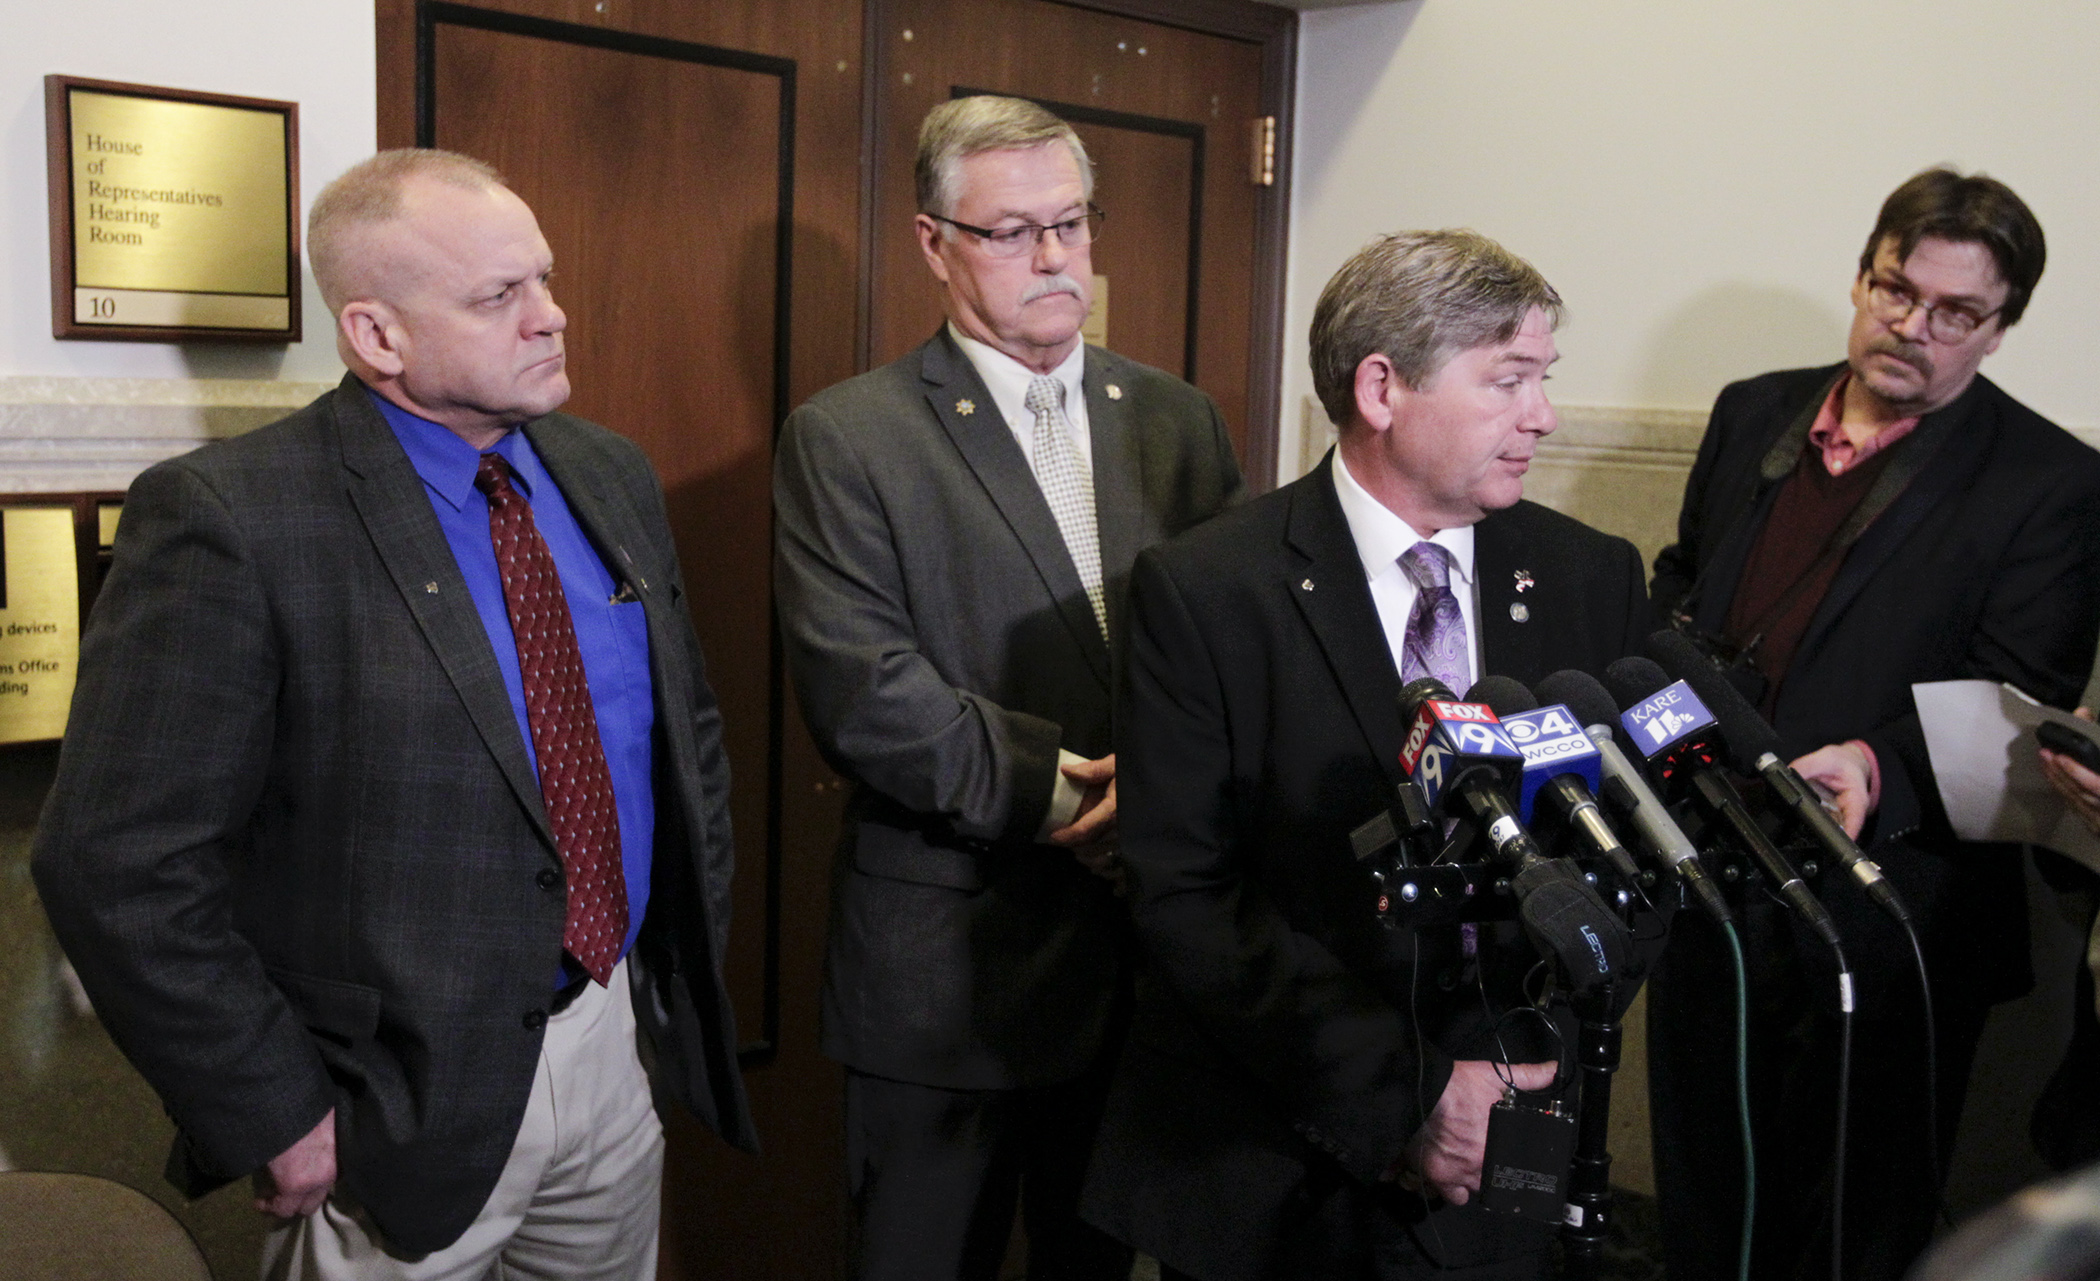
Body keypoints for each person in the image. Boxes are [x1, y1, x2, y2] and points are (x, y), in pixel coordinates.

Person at [31, 148, 756, 1280]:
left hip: (615, 1055)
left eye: (545, 279)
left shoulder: (607, 474)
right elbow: (113, 860)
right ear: (377, 337)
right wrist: (263, 1102)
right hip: (390, 1114)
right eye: (498, 296)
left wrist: (660, 996)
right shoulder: (235, 517)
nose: (552, 317)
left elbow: (683, 739)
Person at [1079, 230, 1649, 1281]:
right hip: (1278, 1162)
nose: (1544, 416)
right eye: (1508, 381)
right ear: (1382, 389)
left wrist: (1515, 1072)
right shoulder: (1208, 592)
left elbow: (1632, 855)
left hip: (1510, 1156)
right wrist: (1413, 1092)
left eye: (1545, 380)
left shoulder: (1591, 576)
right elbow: (1185, 893)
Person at [772, 95, 1243, 1280]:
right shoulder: (850, 437)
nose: (1052, 257)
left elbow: (1233, 660)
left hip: (1138, 970)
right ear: (934, 244)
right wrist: (1080, 801)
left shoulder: (1177, 421)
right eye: (1011, 230)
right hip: (947, 979)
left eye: (1072, 224)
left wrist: (1169, 806)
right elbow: (865, 690)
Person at [1646, 166, 2100, 1281]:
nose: (1915, 328)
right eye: (1898, 291)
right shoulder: (1753, 407)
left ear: (2000, 332)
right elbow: (1684, 583)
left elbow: (2016, 696)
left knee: (1851, 1224)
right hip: (1709, 877)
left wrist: (1871, 764)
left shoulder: (2057, 482)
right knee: (1702, 1194)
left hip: (1896, 917)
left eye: (1957, 314)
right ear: (1862, 275)